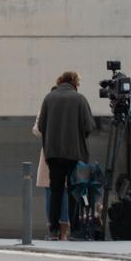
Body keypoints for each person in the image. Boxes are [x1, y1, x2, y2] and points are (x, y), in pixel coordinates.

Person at [37, 71, 95, 241]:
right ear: (74, 83)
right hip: (74, 153)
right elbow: (89, 126)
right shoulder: (80, 99)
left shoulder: (49, 98)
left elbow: (41, 126)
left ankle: (53, 230)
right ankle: (75, 229)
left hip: (53, 153)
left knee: (55, 191)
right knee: (74, 190)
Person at [33, 106, 69, 236]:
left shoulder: (51, 108)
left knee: (62, 192)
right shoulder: (46, 109)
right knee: (52, 191)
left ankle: (61, 231)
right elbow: (37, 130)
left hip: (57, 152)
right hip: (53, 154)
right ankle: (55, 230)